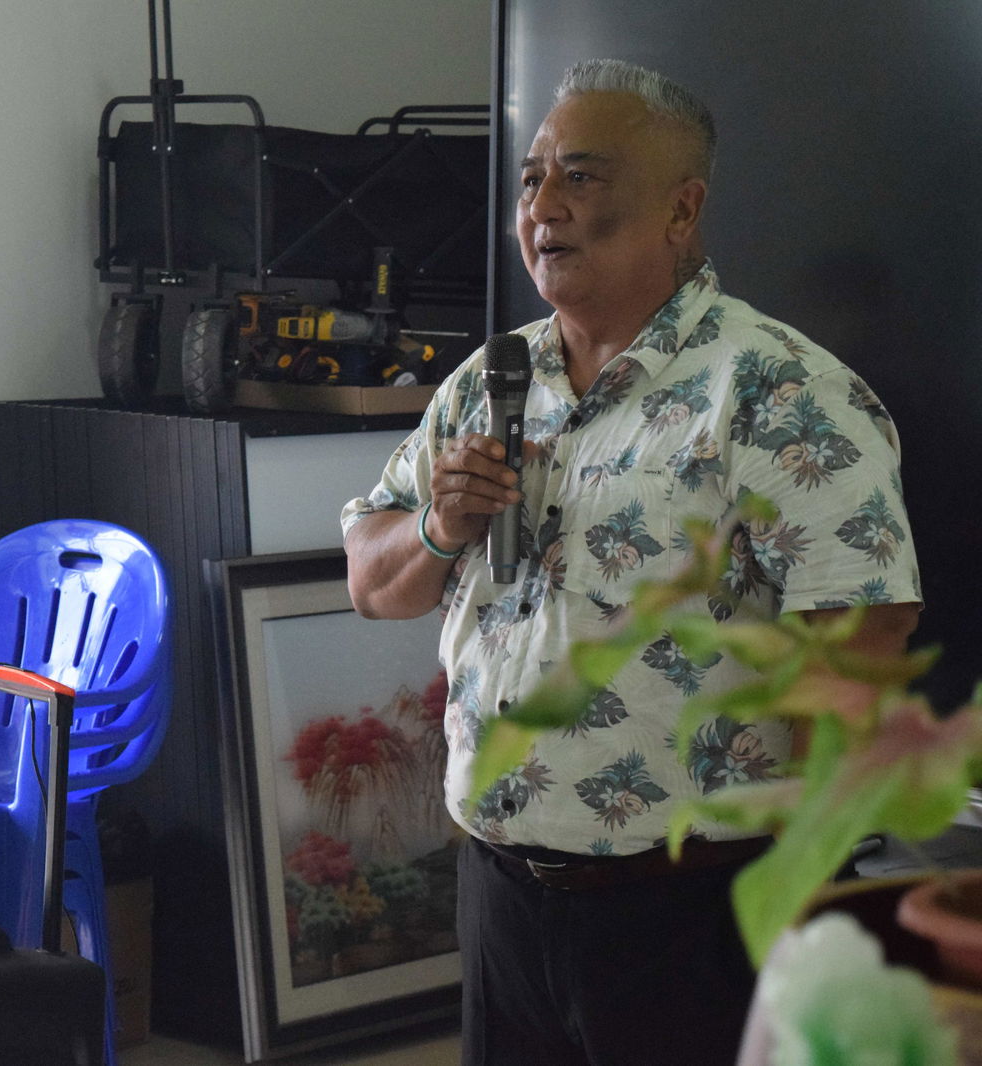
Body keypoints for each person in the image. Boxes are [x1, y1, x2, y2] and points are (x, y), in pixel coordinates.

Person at [342, 60, 921, 1066]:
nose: (544, 207)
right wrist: (440, 527)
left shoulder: (776, 392)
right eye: (530, 180)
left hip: (690, 908)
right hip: (500, 892)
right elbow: (370, 581)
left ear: (680, 209)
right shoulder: (489, 380)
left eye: (582, 176)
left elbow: (864, 629)